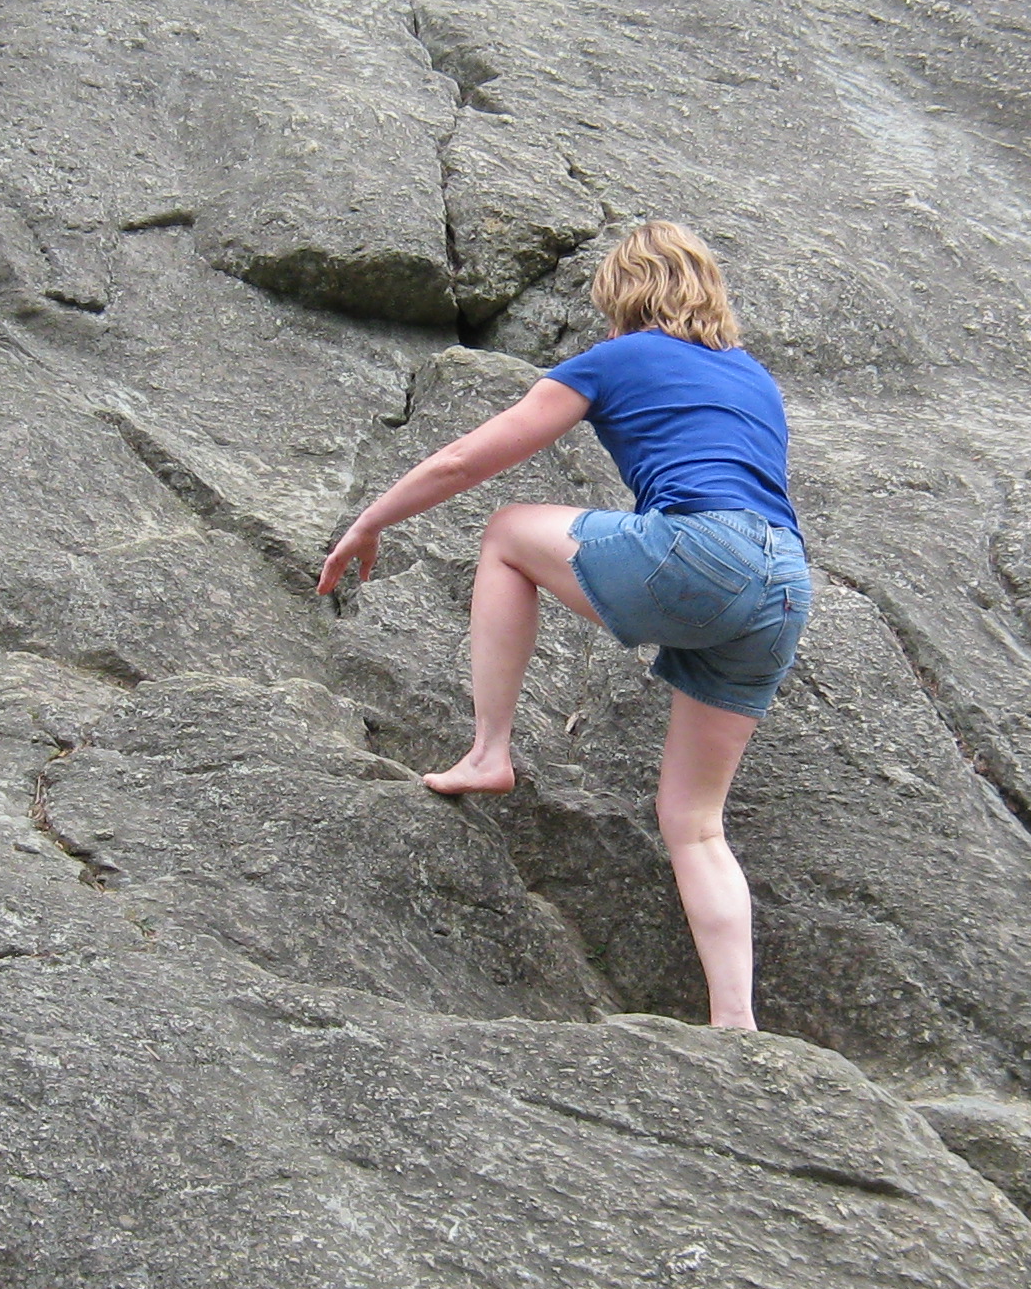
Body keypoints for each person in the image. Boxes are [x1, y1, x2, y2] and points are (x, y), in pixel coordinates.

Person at [318, 221, 813, 1032]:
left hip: (705, 553)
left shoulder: (618, 357)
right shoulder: (753, 378)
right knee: (694, 822)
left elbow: (465, 462)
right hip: (784, 586)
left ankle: (488, 751)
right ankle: (738, 1029)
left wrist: (371, 520)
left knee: (509, 530)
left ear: (622, 294)